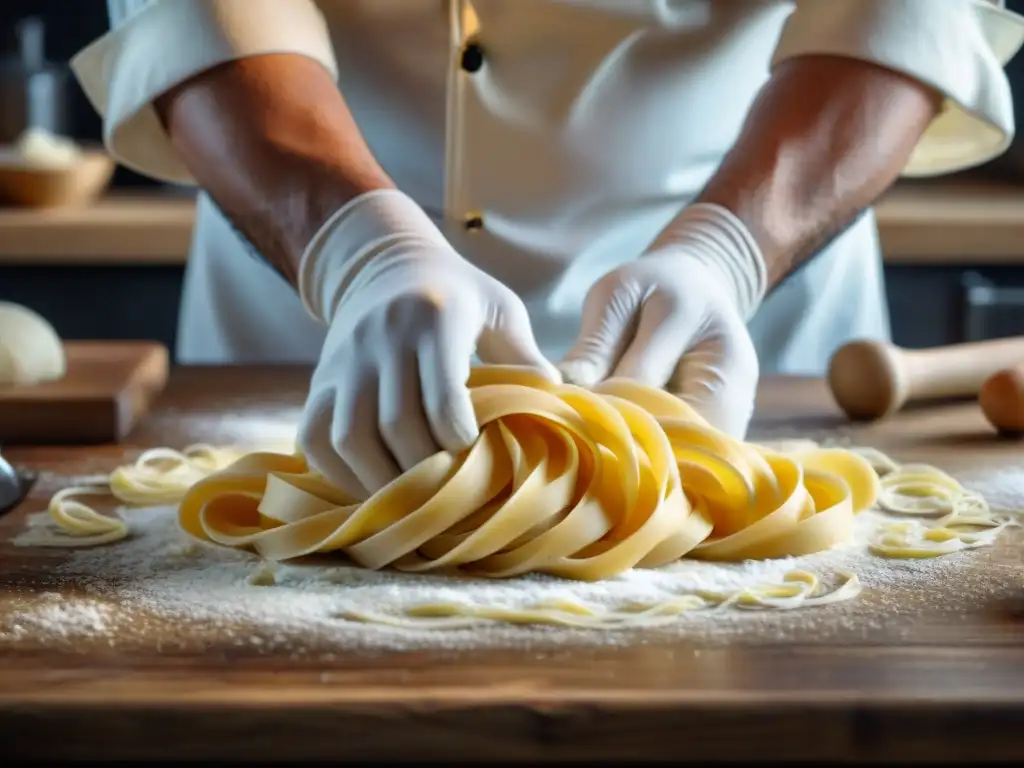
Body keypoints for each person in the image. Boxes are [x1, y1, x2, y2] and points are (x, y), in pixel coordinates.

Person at [73, 0, 1022, 500]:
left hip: (753, 303)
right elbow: (195, 11)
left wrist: (726, 248)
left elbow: (905, 13)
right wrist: (359, 251)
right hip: (311, 287)